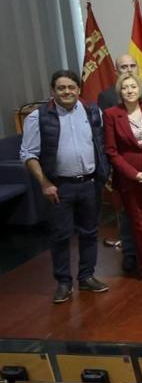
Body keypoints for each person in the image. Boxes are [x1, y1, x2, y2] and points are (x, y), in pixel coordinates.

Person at [20, 70, 110, 304]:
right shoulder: (38, 117)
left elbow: (101, 145)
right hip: (59, 188)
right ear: (53, 91)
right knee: (61, 236)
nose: (67, 92)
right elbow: (28, 154)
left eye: (71, 87)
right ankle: (63, 282)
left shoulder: (92, 111)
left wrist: (103, 174)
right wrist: (45, 183)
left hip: (90, 183)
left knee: (90, 233)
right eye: (61, 88)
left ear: (79, 89)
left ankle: (87, 276)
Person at [99, 53, 142, 273]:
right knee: (137, 222)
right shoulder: (110, 112)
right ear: (120, 90)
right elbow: (111, 149)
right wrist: (134, 174)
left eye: (133, 87)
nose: (129, 90)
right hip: (130, 177)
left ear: (140, 89)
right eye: (125, 88)